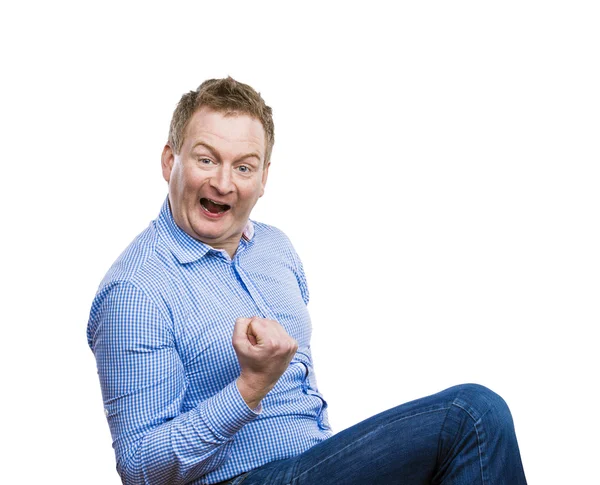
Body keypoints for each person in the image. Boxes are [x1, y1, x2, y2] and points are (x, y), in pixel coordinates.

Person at [87, 77, 527, 485]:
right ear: (170, 162)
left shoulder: (274, 250)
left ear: (263, 179)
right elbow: (140, 467)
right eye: (206, 159)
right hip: (240, 479)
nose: (223, 182)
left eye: (244, 167)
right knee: (472, 415)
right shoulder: (137, 290)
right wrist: (249, 388)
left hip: (313, 461)